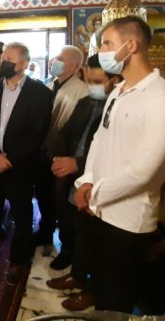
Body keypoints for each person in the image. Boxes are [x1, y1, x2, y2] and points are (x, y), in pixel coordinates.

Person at [74, 16, 165, 313]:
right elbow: (99, 139)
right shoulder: (118, 90)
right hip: (99, 208)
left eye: (107, 43)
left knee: (118, 298)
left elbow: (144, 172)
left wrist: (95, 193)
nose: (101, 51)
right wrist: (86, 180)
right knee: (101, 286)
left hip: (128, 218)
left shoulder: (159, 97)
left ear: (131, 46)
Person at [46, 54, 121, 311]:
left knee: (98, 240)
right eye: (88, 80)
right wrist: (57, 156)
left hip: (100, 183)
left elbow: (112, 150)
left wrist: (76, 162)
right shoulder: (87, 102)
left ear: (114, 79)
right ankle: (77, 274)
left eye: (97, 81)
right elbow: (66, 132)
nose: (92, 86)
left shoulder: (119, 106)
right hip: (74, 179)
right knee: (78, 229)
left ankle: (93, 290)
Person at [0, 42, 52, 285]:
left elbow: (37, 134)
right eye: (4, 58)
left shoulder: (40, 93)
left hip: (20, 166)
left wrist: (9, 159)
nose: (4, 62)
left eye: (10, 59)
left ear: (23, 64)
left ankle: (18, 261)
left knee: (22, 215)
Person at [36, 45, 88, 269]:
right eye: (54, 57)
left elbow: (73, 131)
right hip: (43, 154)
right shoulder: (50, 85)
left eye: (60, 59)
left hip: (63, 157)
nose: (53, 62)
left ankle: (67, 250)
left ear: (75, 66)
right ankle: (45, 233)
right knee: (44, 198)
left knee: (63, 206)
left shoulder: (82, 91)